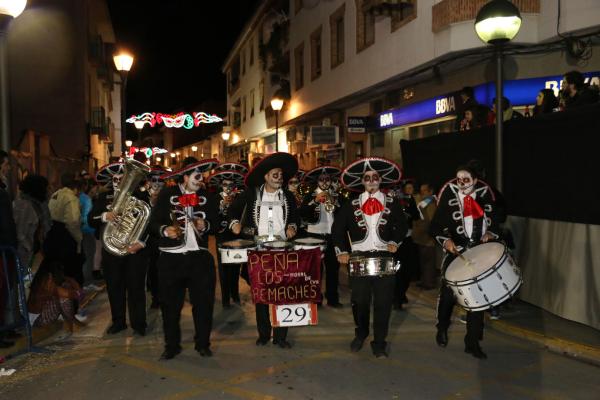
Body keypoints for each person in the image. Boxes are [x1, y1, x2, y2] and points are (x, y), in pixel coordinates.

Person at [332, 157, 408, 358]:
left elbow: (402, 226)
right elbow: (337, 230)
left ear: (380, 180)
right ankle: (361, 332)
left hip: (384, 256)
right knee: (360, 301)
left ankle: (379, 342)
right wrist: (342, 251)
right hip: (358, 257)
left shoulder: (393, 203)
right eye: (367, 178)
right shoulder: (351, 204)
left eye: (375, 177)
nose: (372, 181)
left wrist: (395, 241)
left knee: (383, 302)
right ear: (362, 181)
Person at [149, 157, 219, 360]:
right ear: (185, 177)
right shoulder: (167, 194)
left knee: (204, 305)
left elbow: (217, 223)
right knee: (170, 306)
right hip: (171, 259)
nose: (201, 180)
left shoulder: (207, 196)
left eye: (202, 176)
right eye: (197, 176)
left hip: (199, 259)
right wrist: (164, 230)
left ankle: (203, 344)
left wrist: (204, 225)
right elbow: (153, 223)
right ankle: (172, 346)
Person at [228, 152, 300, 349]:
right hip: (258, 251)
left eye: (281, 175)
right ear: (266, 177)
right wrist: (235, 224)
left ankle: (280, 336)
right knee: (261, 295)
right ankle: (263, 333)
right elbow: (232, 210)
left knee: (282, 294)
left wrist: (292, 226)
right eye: (275, 174)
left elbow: (295, 217)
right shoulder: (251, 194)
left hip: (281, 252)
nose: (279, 178)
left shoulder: (288, 196)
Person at [430, 164, 499, 359]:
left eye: (466, 179)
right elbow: (434, 227)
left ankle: (472, 342)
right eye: (458, 179)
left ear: (475, 181)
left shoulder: (486, 201)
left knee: (477, 301)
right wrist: (446, 241)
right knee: (448, 297)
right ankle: (442, 328)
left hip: (479, 256)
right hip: (456, 255)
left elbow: (496, 224)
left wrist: (491, 233)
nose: (461, 183)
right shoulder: (448, 202)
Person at [89, 161, 149, 336]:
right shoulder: (103, 198)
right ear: (111, 180)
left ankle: (139, 324)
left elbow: (148, 222)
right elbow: (90, 219)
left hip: (134, 250)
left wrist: (142, 242)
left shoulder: (140, 196)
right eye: (115, 179)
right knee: (114, 287)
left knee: (136, 287)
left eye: (122, 178)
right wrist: (104, 216)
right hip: (111, 251)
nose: (118, 181)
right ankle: (118, 322)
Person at [299, 166, 343, 308]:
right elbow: (302, 212)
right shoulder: (310, 195)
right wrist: (315, 201)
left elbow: (344, 213)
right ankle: (316, 299)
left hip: (332, 234)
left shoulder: (337, 195)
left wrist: (336, 202)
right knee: (315, 269)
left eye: (327, 179)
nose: (324, 182)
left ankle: (333, 298)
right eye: (321, 179)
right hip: (315, 234)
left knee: (333, 268)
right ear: (317, 181)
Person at [207, 168, 246, 309]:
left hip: (235, 236)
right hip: (222, 236)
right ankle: (225, 299)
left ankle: (235, 294)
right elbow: (212, 218)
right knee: (223, 269)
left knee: (236, 266)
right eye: (225, 185)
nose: (228, 188)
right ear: (220, 185)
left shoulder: (238, 197)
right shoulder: (215, 199)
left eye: (231, 185)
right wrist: (221, 208)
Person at [46, 172, 84, 285]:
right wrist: (78, 239)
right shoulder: (71, 198)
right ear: (76, 188)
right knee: (71, 271)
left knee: (58, 270)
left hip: (53, 235)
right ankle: (71, 298)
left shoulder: (55, 194)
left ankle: (60, 296)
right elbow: (73, 221)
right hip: (66, 238)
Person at [27, 259, 85, 332]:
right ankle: (72, 322)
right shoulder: (47, 281)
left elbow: (68, 280)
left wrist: (73, 283)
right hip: (36, 320)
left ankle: (71, 321)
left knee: (66, 286)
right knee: (64, 297)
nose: (62, 274)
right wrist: (79, 292)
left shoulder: (44, 276)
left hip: (38, 316)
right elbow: (70, 294)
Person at [12, 174, 51, 269]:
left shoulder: (37, 204)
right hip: (24, 254)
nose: (48, 191)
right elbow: (20, 233)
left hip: (34, 251)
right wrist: (30, 247)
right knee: (25, 280)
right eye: (46, 188)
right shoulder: (24, 205)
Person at [0, 150, 17, 348]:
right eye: (5, 163)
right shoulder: (1, 193)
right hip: (3, 250)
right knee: (3, 290)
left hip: (5, 249)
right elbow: (6, 224)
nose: (8, 167)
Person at [393, 181, 420, 310]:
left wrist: (408, 210)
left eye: (412, 188)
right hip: (394, 241)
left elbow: (416, 216)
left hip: (407, 238)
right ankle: (397, 298)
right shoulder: (392, 198)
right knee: (396, 270)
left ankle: (401, 293)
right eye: (408, 188)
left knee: (408, 270)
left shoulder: (410, 200)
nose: (410, 190)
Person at [412, 183, 439, 290]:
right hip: (421, 237)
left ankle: (429, 283)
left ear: (430, 192)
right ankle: (425, 281)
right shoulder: (424, 202)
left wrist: (427, 233)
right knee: (423, 261)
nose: (421, 193)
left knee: (429, 262)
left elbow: (431, 221)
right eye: (421, 190)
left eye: (424, 191)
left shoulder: (431, 203)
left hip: (428, 237)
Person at [79, 178, 100, 290]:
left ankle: (85, 281)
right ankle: (87, 282)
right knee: (89, 256)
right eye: (96, 188)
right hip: (88, 231)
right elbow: (87, 217)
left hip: (80, 231)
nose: (97, 191)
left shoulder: (80, 197)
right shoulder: (87, 199)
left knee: (85, 257)